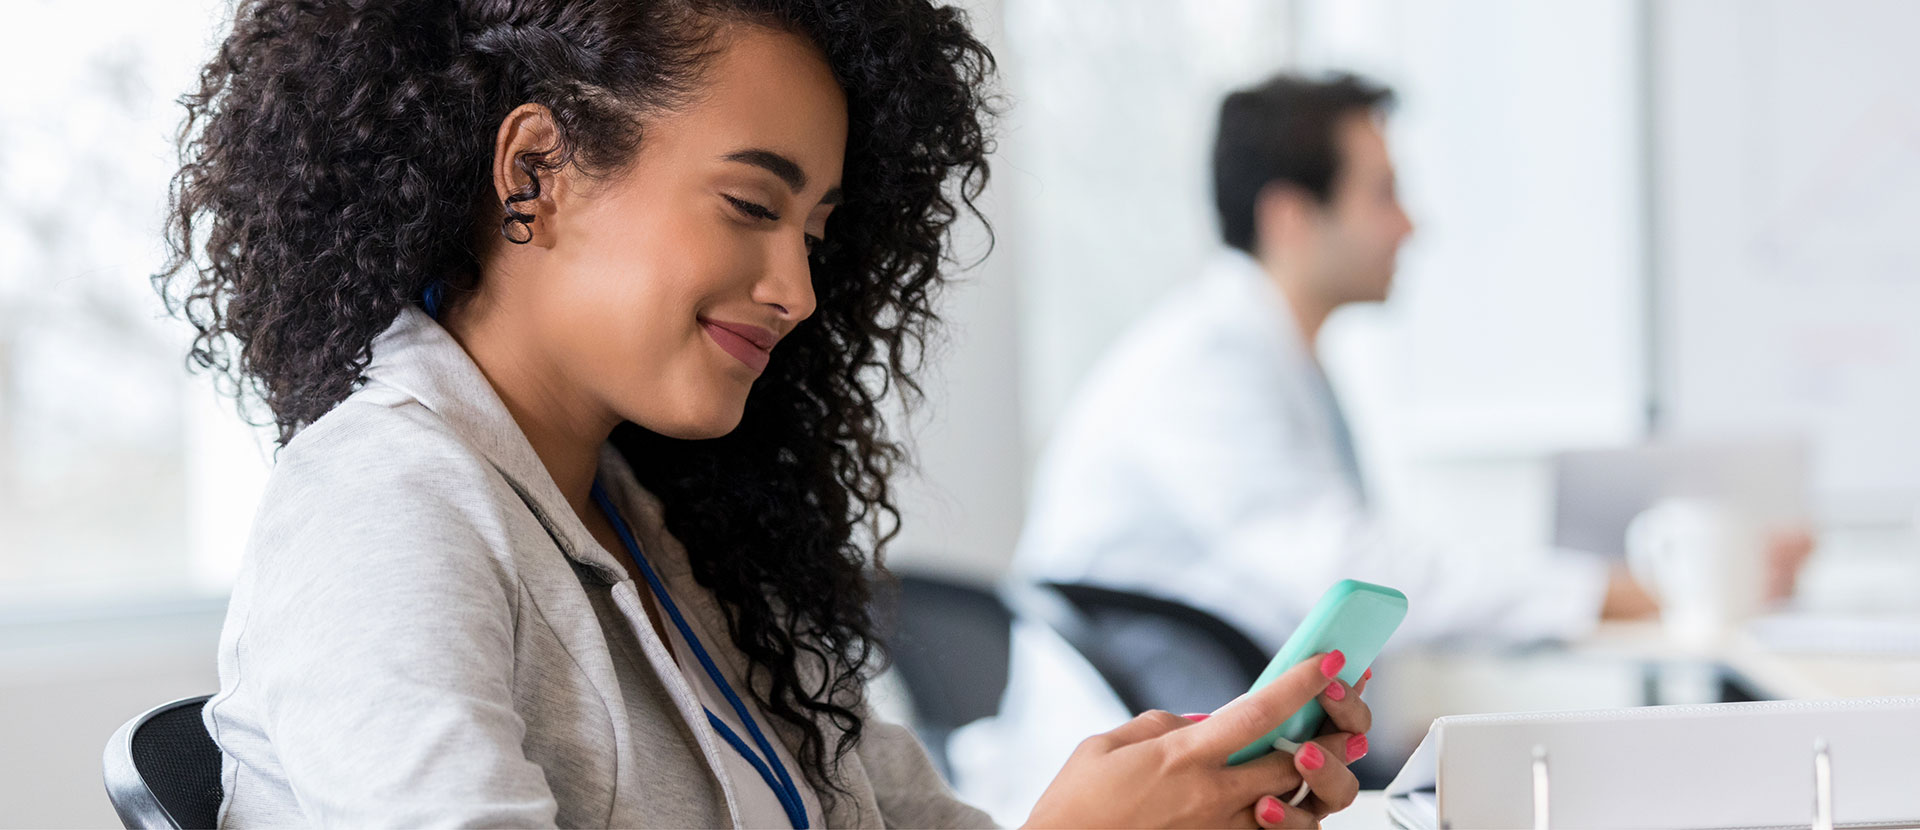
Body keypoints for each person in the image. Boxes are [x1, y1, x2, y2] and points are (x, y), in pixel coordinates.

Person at [156, 1, 1369, 826]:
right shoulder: (384, 510)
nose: (796, 288)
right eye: (749, 204)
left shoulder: (656, 531)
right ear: (534, 172)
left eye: (818, 234)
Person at [1013, 71, 1811, 650]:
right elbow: (1350, 584)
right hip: (1132, 760)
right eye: (1383, 194)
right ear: (1292, 217)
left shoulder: (1266, 354)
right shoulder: (1206, 369)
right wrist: (1631, 591)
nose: (1411, 228)